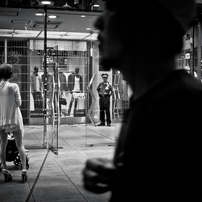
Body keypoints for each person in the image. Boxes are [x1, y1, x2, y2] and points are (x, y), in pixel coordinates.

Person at [83, 0, 202, 201]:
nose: (98, 22)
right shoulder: (147, 100)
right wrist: (122, 178)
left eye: (113, 9)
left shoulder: (186, 105)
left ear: (147, 26)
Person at [0, 63, 28, 183]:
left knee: (2, 144)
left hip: (1, 118)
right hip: (14, 118)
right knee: (20, 144)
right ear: (11, 74)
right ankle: (23, 169)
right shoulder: (14, 86)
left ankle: (5, 168)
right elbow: (19, 103)